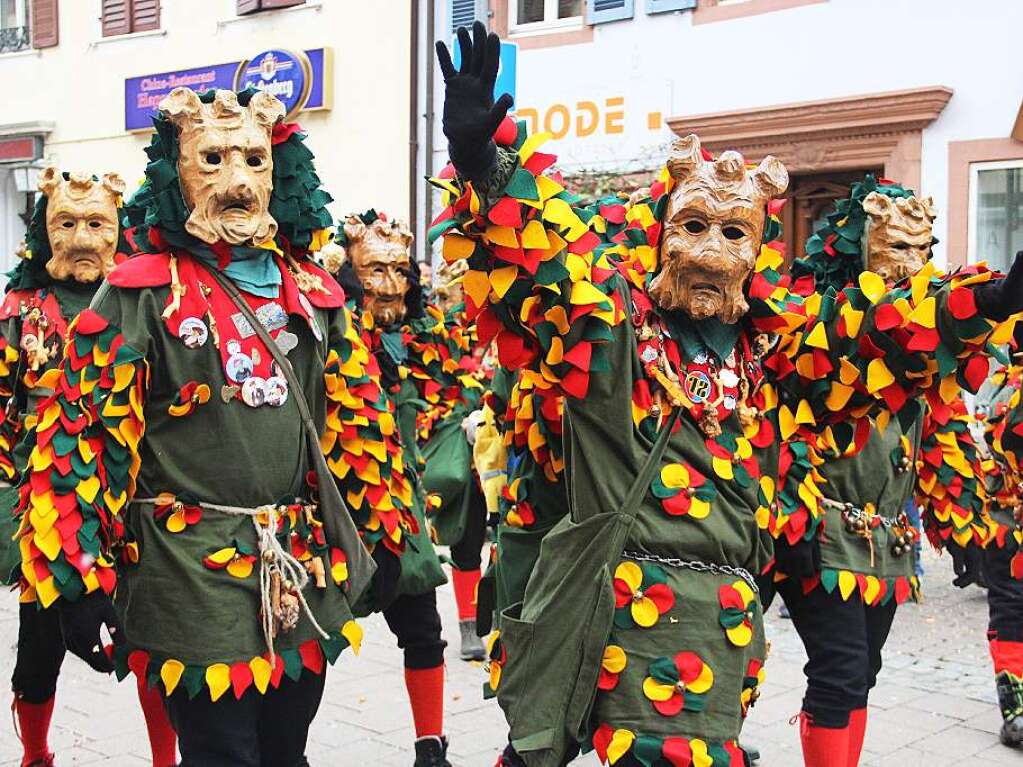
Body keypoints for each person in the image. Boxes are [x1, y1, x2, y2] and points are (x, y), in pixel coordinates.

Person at [432, 23, 1023, 767]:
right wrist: (481, 161)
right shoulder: (611, 328)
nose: (711, 251)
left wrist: (993, 299)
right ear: (660, 235)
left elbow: (864, 339)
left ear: (757, 250)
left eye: (734, 232)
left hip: (718, 628)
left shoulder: (772, 351)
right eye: (693, 226)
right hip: (612, 600)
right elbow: (546, 260)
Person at [15, 88, 414, 766]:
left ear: (276, 171)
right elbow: (79, 435)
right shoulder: (138, 293)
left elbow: (359, 422)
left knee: (287, 749)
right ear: (177, 171)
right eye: (213, 158)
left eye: (253, 160)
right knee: (222, 752)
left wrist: (385, 530)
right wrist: (75, 576)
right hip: (186, 571)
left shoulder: (315, 292)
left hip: (299, 563)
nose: (236, 181)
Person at [777, 176, 999, 766]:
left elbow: (941, 432)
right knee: (842, 669)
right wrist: (791, 518)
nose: (913, 264)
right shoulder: (817, 320)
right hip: (819, 533)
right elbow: (786, 421)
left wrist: (961, 526)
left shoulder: (925, 346)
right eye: (897, 248)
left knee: (864, 670)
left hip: (887, 539)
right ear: (861, 246)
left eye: (923, 251)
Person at [1, 169, 177, 767]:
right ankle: (36, 753)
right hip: (46, 512)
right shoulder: (20, 311)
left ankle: (164, 758)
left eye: (96, 224)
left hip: (136, 504)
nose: (81, 238)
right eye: (65, 223)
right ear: (43, 230)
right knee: (39, 648)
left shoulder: (142, 302)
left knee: (149, 644)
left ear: (119, 229)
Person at [334, 210, 454, 767]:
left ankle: (430, 746)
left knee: (424, 632)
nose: (387, 284)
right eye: (373, 270)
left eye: (398, 270)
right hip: (334, 512)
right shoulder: (326, 338)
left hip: (401, 517)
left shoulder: (418, 342)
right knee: (304, 641)